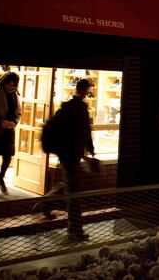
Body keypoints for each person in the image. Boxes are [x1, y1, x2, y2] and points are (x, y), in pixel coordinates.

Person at [49, 77, 95, 240]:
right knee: (73, 191)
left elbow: (85, 131)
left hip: (71, 154)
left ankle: (44, 204)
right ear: (84, 90)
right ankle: (75, 229)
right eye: (88, 90)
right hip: (69, 154)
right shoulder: (71, 108)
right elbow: (83, 130)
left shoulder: (77, 107)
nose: (87, 93)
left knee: (69, 186)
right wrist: (88, 148)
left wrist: (89, 148)